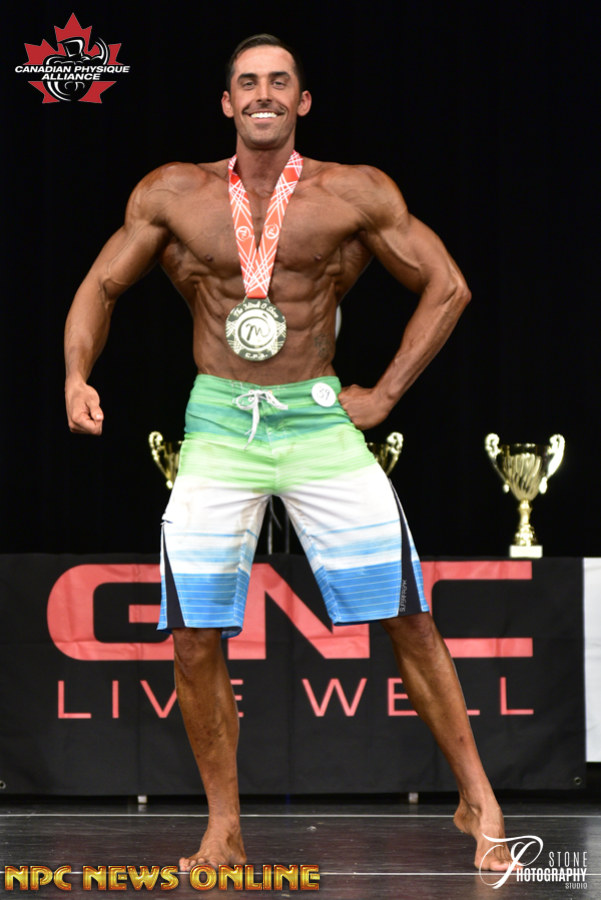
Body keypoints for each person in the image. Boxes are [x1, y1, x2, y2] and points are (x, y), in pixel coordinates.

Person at [65, 33, 513, 873]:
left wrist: (383, 394)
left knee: (407, 614)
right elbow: (101, 284)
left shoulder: (353, 192)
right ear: (226, 103)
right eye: (247, 82)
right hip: (218, 426)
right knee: (193, 633)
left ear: (301, 101)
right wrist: (74, 374)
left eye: (279, 81)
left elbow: (447, 285)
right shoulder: (173, 193)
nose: (262, 93)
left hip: (316, 422)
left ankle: (479, 799)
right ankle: (224, 829)